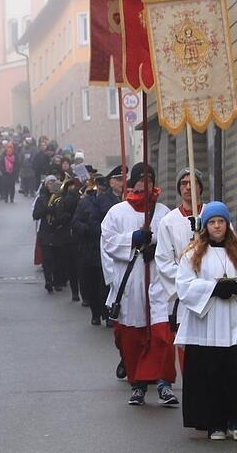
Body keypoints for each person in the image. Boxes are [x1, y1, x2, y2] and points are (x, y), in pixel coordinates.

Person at [175, 202, 237, 441]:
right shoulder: (192, 254)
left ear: (227, 224)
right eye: (212, 222)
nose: (217, 226)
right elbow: (184, 285)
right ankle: (215, 423)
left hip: (236, 322)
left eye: (221, 222)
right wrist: (212, 289)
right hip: (207, 325)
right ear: (206, 226)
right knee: (210, 375)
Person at [100, 162, 178, 407]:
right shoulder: (117, 213)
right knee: (133, 337)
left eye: (150, 179)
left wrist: (157, 250)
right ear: (133, 183)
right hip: (132, 281)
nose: (146, 184)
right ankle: (138, 385)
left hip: (157, 280)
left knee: (161, 335)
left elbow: (174, 245)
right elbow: (108, 242)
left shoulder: (164, 213)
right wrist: (132, 240)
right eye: (141, 179)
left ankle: (164, 382)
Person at [155, 168, 205, 369]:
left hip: (211, 290)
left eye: (192, 182)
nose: (188, 187)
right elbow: (164, 260)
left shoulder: (214, 216)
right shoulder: (169, 222)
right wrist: (187, 281)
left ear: (200, 187)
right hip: (185, 294)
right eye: (183, 183)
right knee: (187, 345)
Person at [72, 166, 124, 325]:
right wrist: (88, 231)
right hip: (92, 247)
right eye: (119, 179)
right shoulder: (90, 201)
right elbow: (79, 222)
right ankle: (97, 312)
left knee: (107, 283)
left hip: (112, 248)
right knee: (94, 283)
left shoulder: (123, 198)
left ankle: (108, 314)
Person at [49, 177, 81, 299]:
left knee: (72, 266)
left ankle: (75, 292)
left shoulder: (64, 200)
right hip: (72, 236)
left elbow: (57, 219)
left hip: (69, 236)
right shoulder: (68, 200)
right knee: (75, 266)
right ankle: (77, 293)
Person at [33, 175, 60, 293]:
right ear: (45, 185)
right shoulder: (41, 198)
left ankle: (57, 281)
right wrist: (47, 210)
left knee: (57, 259)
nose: (52, 185)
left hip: (57, 231)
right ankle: (48, 280)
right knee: (47, 259)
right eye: (50, 183)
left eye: (54, 183)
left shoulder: (60, 197)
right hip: (45, 231)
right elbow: (35, 215)